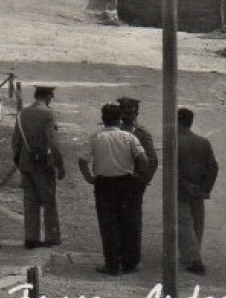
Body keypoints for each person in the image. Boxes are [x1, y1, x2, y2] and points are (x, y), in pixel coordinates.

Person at [78, 103, 150, 275]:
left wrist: (89, 178)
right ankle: (129, 263)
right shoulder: (129, 138)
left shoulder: (95, 137)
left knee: (108, 224)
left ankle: (112, 264)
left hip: (104, 185)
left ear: (103, 120)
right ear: (119, 120)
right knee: (129, 223)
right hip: (126, 183)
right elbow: (144, 161)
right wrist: (139, 178)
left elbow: (82, 160)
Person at [11, 84, 64, 249]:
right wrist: (59, 165)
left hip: (26, 164)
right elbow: (53, 143)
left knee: (30, 202)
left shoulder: (23, 113)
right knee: (48, 202)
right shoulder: (48, 114)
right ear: (48, 97)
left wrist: (19, 161)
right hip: (43, 165)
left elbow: (15, 142)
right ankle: (51, 237)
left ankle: (31, 238)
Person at [117, 96, 158, 271]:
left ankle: (132, 259)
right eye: (124, 111)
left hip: (133, 183)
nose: (127, 115)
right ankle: (118, 255)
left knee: (132, 221)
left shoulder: (141, 133)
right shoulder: (114, 130)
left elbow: (152, 160)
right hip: (116, 181)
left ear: (136, 113)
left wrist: (143, 181)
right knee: (117, 219)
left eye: (130, 111)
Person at [176, 107, 219, 275]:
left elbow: (172, 170)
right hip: (199, 190)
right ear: (191, 122)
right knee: (197, 223)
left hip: (182, 189)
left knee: (184, 222)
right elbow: (213, 167)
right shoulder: (203, 142)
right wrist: (205, 188)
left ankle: (193, 259)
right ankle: (193, 253)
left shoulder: (174, 141)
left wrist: (187, 186)